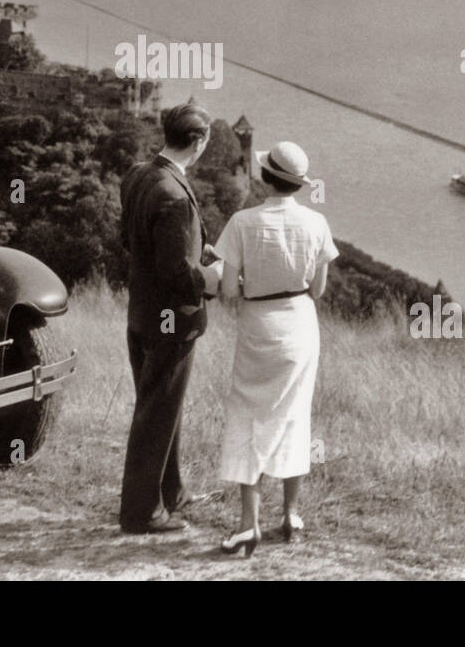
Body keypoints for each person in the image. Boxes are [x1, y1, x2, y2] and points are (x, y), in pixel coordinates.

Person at [214, 141, 337, 556]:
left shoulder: (242, 222)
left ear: (265, 177)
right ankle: (290, 514)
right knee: (294, 417)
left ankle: (248, 524)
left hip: (259, 326)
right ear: (297, 185)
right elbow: (318, 290)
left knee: (250, 417)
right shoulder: (317, 223)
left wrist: (254, 283)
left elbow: (229, 290)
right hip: (301, 325)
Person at [117, 102, 220, 534]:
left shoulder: (139, 175)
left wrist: (196, 253)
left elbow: (134, 240)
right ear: (197, 142)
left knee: (163, 406)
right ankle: (141, 512)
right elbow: (177, 272)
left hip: (142, 312)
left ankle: (171, 492)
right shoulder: (176, 196)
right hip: (171, 320)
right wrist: (210, 277)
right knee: (156, 412)